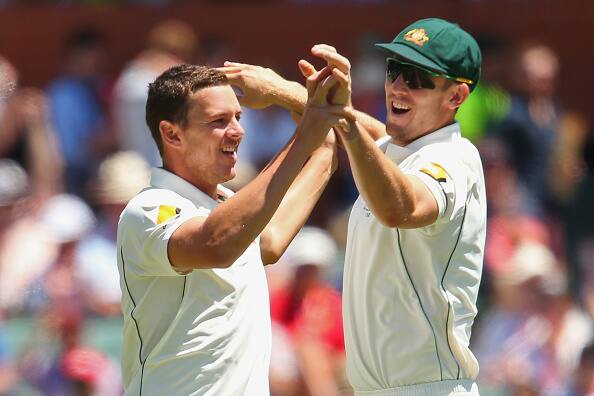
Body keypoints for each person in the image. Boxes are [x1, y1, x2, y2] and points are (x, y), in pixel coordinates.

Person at [116, 63, 352, 395]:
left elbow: (268, 240)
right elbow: (217, 245)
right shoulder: (149, 208)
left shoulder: (229, 207)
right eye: (218, 121)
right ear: (171, 134)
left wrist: (286, 94)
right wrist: (302, 139)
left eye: (238, 118)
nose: (238, 131)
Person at [305, 18, 487, 395]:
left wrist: (346, 123)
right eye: (395, 70)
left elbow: (400, 208)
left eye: (418, 77)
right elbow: (369, 131)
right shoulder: (399, 149)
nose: (399, 87)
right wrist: (285, 92)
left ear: (456, 97)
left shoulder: (454, 157)